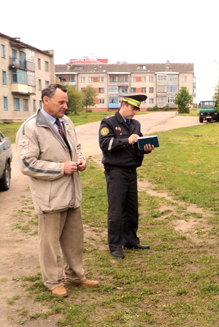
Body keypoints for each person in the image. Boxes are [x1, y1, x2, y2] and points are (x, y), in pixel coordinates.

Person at [16, 83, 99, 298]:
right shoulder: (30, 128)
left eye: (66, 102)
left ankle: (75, 275)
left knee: (74, 238)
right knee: (50, 243)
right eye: (61, 102)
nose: (65, 106)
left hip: (71, 193)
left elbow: (76, 147)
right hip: (50, 197)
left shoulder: (67, 122)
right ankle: (53, 281)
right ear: (46, 100)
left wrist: (80, 160)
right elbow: (27, 164)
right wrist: (60, 168)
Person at [98, 94, 155, 259]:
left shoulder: (136, 124)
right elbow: (105, 144)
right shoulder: (108, 122)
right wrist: (126, 140)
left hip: (131, 170)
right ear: (123, 105)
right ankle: (115, 245)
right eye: (133, 108)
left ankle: (130, 240)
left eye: (137, 109)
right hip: (116, 171)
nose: (135, 112)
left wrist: (146, 148)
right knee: (116, 210)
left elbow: (138, 144)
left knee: (131, 208)